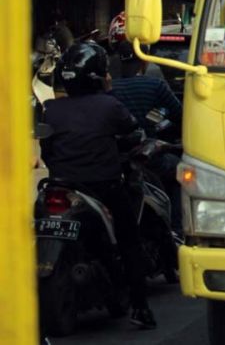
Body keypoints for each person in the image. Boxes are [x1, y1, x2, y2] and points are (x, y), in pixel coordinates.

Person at [40, 42, 156, 329]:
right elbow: (134, 133)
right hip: (102, 187)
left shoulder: (50, 109)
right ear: (98, 75)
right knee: (129, 240)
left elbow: (47, 149)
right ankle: (140, 306)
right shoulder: (109, 106)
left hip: (59, 186)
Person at [109, 40, 183, 232]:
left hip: (114, 160)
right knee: (181, 172)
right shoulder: (155, 85)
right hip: (148, 159)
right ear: (145, 62)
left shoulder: (109, 89)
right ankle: (175, 230)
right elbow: (181, 115)